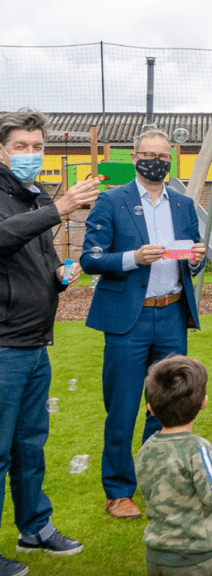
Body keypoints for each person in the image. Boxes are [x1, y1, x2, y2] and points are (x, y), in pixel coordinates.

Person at [81, 128, 207, 519]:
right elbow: (90, 259)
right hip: (128, 319)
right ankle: (118, 491)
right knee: (122, 408)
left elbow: (194, 253)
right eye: (149, 154)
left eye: (164, 156)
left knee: (169, 405)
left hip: (171, 314)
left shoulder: (184, 205)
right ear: (135, 158)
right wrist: (133, 257)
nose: (157, 161)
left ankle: (155, 480)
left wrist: (197, 258)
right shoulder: (111, 201)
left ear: (171, 160)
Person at [0, 109, 91, 573]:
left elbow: (36, 259)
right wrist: (58, 209)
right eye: (21, 147)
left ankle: (34, 526)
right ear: (1, 150)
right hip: (3, 346)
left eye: (37, 147)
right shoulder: (13, 201)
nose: (31, 155)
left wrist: (58, 276)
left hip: (35, 343)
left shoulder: (31, 197)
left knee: (30, 444)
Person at [135, 355, 212, 576]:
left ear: (150, 407)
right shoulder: (198, 449)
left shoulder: (146, 448)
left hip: (155, 557)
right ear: (203, 402)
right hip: (192, 560)